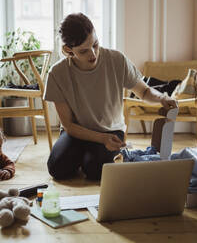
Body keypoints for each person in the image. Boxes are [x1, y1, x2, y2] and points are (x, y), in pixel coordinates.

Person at [44, 13, 178, 180]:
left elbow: (144, 91)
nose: (93, 54)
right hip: (77, 132)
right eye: (84, 51)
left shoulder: (116, 60)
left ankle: (88, 158)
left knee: (94, 171)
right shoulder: (57, 73)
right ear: (68, 50)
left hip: (112, 131)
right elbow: (69, 125)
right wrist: (100, 138)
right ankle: (85, 155)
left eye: (95, 44)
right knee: (57, 168)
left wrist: (162, 98)